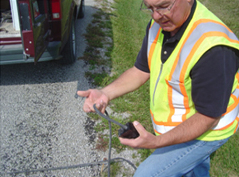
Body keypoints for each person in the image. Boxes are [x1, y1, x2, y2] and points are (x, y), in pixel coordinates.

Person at [77, 0, 239, 176]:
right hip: (182, 124)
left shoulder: (213, 47)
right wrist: (104, 93)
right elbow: (141, 70)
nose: (155, 16)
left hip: (207, 131)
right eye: (150, 8)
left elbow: (208, 117)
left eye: (163, 6)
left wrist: (157, 142)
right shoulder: (159, 25)